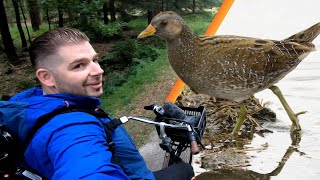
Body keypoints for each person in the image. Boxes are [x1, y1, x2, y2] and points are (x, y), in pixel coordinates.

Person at [6, 27, 194, 179]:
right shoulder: (72, 128)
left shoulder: (34, 103)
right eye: (79, 65)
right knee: (185, 170)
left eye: (94, 60)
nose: (98, 70)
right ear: (46, 77)